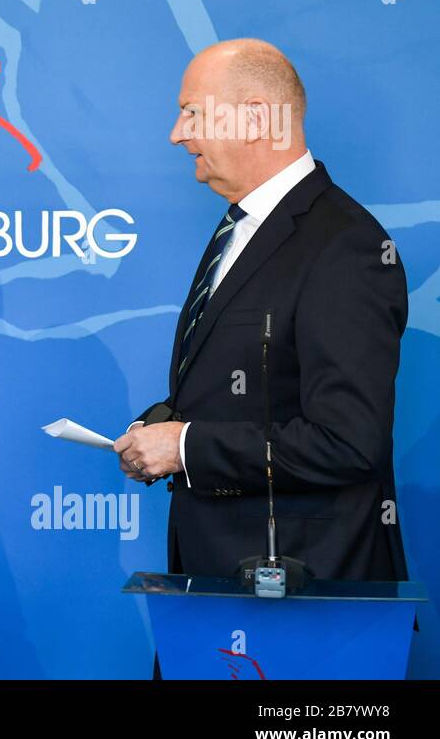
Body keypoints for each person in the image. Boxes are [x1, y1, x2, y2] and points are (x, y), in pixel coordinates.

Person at [114, 38, 409, 586]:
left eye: (191, 113)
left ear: (254, 118)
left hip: (301, 598)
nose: (177, 134)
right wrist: (161, 427)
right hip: (218, 583)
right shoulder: (242, 227)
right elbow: (249, 388)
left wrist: (185, 447)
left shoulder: (345, 246)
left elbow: (348, 442)